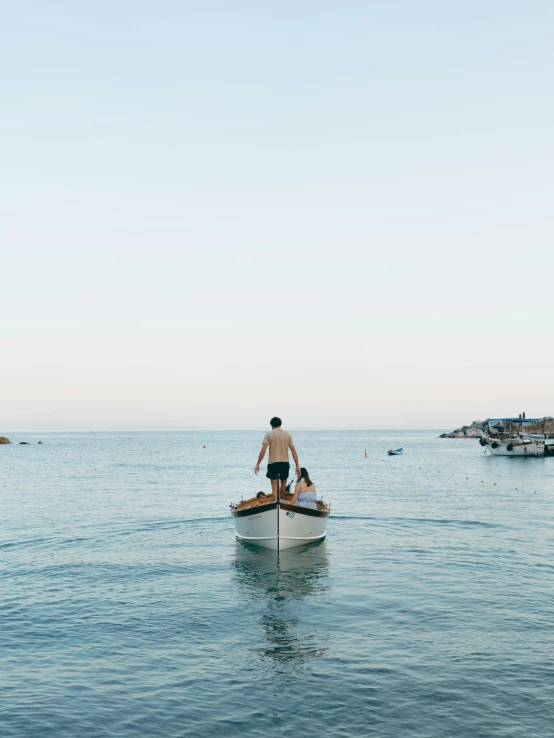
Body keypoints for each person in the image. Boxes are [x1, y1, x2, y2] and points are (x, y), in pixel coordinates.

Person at [254, 417, 300, 501]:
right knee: (283, 485)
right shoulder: (288, 435)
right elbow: (293, 450)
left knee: (274, 487)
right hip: (284, 463)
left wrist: (258, 464)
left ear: (271, 425)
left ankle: (276, 503)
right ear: (280, 424)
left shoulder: (269, 434)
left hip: (273, 463)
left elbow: (263, 450)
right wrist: (297, 466)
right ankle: (282, 503)